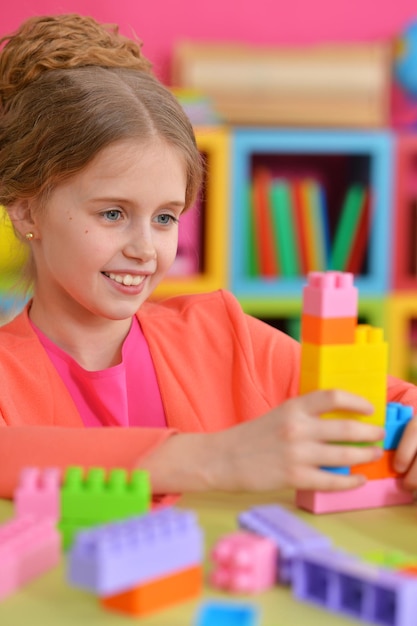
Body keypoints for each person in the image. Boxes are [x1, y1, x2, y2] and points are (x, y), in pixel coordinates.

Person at [0, 14, 416, 503]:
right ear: (26, 208)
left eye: (165, 218)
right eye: (113, 213)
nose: (145, 249)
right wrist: (214, 459)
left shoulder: (223, 335)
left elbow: (388, 402)